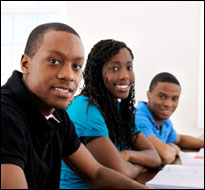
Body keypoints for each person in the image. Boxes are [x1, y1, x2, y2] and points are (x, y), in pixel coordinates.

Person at [1, 22, 151, 189]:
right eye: (54, 61)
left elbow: (95, 173)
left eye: (76, 66)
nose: (68, 76)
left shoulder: (57, 115)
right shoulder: (5, 114)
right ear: (25, 64)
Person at [60, 39, 161, 189]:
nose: (125, 75)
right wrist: (140, 166)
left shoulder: (119, 109)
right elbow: (121, 172)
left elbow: (155, 157)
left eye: (129, 67)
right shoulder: (86, 110)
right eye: (114, 68)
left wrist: (128, 155)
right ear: (97, 73)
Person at [135, 72, 204, 165]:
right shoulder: (138, 117)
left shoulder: (164, 121)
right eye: (162, 96)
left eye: (174, 98)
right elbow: (165, 156)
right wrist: (173, 147)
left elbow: (180, 139)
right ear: (149, 95)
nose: (168, 104)